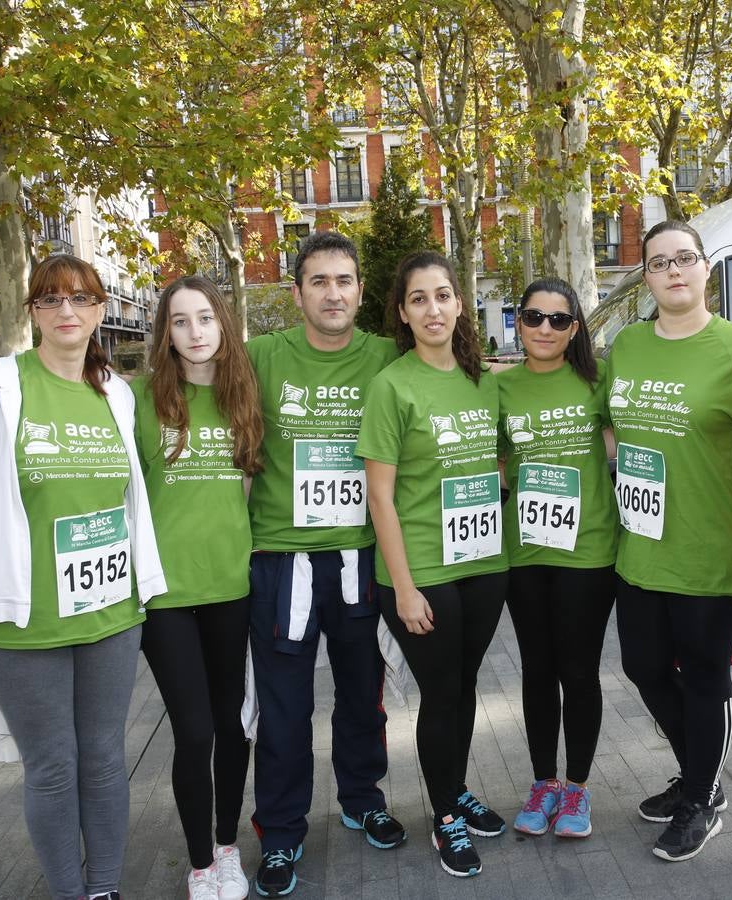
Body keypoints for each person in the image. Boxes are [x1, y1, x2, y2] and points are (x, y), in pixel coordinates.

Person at [0, 254, 166, 900]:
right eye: (51, 299)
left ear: (101, 309)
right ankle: (69, 891)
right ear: (32, 310)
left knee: (106, 760)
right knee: (54, 768)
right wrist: (2, 578)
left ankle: (105, 887)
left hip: (111, 616)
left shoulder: (115, 393)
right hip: (23, 627)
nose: (67, 312)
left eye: (81, 299)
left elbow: (125, 498)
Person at [244, 231, 406, 898]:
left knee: (361, 693)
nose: (333, 292)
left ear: (361, 291)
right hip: (282, 561)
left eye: (344, 280)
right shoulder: (259, 357)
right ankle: (280, 832)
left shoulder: (386, 359)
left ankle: (363, 797)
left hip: (361, 557)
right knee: (284, 708)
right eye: (319, 281)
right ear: (297, 293)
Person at [605, 220, 732, 862]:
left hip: (709, 549)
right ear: (646, 277)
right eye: (660, 261)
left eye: (685, 258)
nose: (674, 270)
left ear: (705, 270)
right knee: (643, 668)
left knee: (704, 679)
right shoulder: (628, 346)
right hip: (639, 549)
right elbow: (607, 426)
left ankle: (701, 795)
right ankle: (701, 772)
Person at [357, 251, 508, 878]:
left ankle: (456, 787)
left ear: (459, 303)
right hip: (423, 572)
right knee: (443, 693)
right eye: (418, 299)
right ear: (402, 312)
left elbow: (501, 459)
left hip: (484, 563)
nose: (433, 309)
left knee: (464, 687)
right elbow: (380, 496)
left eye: (442, 295)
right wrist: (405, 589)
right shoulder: (392, 385)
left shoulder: (485, 380)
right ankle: (445, 813)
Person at [133, 275, 263, 900]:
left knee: (232, 725)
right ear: (165, 333)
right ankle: (200, 861)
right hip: (165, 595)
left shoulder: (245, 398)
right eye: (180, 321)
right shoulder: (138, 401)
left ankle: (229, 844)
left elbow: (245, 491)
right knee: (194, 732)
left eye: (205, 318)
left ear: (223, 325)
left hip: (231, 586)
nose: (194, 332)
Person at [498, 277, 617, 839]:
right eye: (533, 317)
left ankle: (577, 789)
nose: (545, 328)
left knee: (578, 671)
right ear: (518, 322)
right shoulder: (498, 388)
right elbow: (492, 465)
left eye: (559, 320)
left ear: (575, 329)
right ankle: (543, 782)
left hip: (588, 552)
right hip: (524, 553)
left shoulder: (598, 382)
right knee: (537, 672)